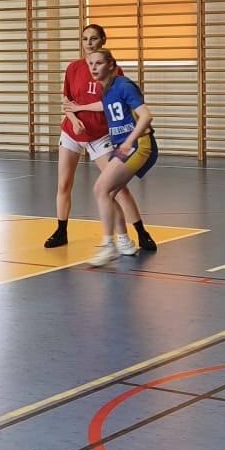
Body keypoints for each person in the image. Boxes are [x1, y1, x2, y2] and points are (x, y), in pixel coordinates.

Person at [47, 23, 152, 253]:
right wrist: (73, 119)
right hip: (72, 132)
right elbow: (67, 102)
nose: (89, 43)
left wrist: (82, 109)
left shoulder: (113, 72)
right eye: (85, 38)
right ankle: (61, 230)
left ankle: (140, 232)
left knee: (116, 188)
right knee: (64, 183)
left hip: (100, 135)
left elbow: (112, 103)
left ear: (103, 41)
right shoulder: (73, 68)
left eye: (93, 38)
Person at [85, 47, 157, 270]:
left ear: (110, 64)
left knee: (100, 189)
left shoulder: (124, 85)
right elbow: (107, 107)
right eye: (90, 64)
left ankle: (109, 245)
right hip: (124, 146)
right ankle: (124, 241)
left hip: (138, 145)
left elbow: (146, 116)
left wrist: (129, 141)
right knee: (109, 193)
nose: (93, 67)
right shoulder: (105, 90)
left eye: (98, 63)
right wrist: (79, 107)